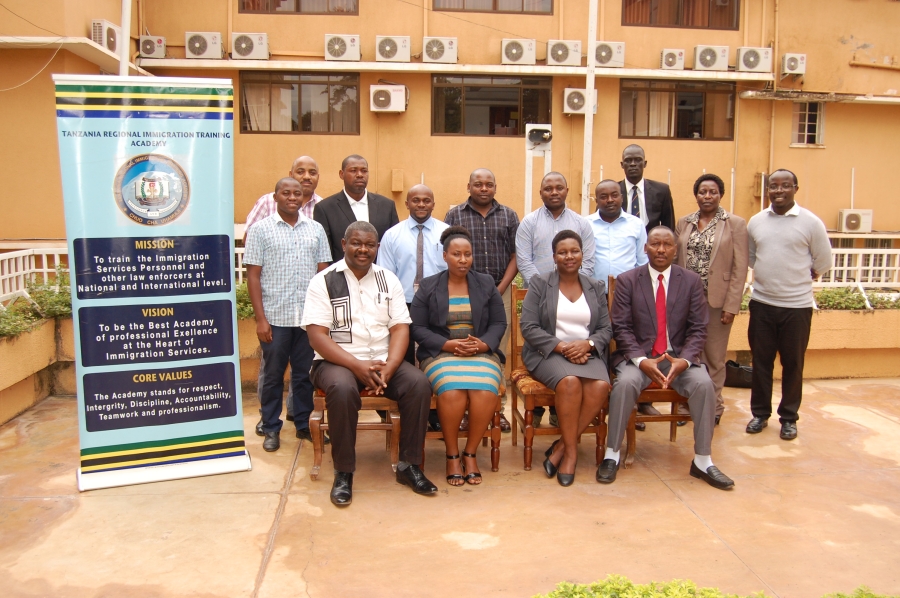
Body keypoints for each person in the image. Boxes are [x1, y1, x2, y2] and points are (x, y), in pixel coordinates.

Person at [302, 222, 437, 506]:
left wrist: (390, 366)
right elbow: (317, 336)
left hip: (382, 360)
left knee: (418, 384)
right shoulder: (323, 281)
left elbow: (400, 328)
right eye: (356, 243)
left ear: (377, 247)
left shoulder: (388, 279)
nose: (363, 249)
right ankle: (344, 471)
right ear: (343, 244)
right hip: (335, 360)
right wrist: (356, 366)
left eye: (370, 244)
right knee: (341, 388)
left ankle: (409, 466)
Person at [598, 227, 734, 490]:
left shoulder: (691, 281)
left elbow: (698, 328)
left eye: (667, 245)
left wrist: (685, 360)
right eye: (655, 244)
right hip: (640, 358)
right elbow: (621, 327)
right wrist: (640, 360)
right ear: (645, 248)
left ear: (676, 249)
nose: (661, 249)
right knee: (624, 385)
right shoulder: (628, 280)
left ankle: (703, 460)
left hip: (679, 358)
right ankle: (612, 453)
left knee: (704, 385)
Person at [410, 226, 507, 486]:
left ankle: (470, 453)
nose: (463, 260)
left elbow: (499, 323)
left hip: (481, 353)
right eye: (456, 254)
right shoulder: (429, 286)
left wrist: (484, 345)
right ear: (445, 256)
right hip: (441, 353)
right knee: (452, 391)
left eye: (467, 254)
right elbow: (417, 328)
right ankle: (452, 454)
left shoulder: (486, 283)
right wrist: (449, 345)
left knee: (484, 390)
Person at [244, 178, 331, 452]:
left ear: (303, 197)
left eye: (297, 193)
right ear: (276, 196)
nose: (292, 197)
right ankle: (270, 427)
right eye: (286, 193)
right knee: (272, 375)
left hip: (307, 320)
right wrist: (260, 319)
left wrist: (322, 317)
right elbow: (253, 277)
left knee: (305, 375)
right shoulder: (260, 230)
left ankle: (304, 425)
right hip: (275, 319)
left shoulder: (316, 229)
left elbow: (323, 273)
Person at [520, 230, 612, 487]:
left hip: (586, 352)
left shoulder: (595, 287)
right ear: (554, 257)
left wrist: (588, 344)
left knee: (601, 386)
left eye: (574, 251)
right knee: (570, 382)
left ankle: (561, 446)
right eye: (562, 252)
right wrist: (562, 348)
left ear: (583, 255)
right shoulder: (540, 284)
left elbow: (605, 329)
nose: (569, 256)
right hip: (547, 353)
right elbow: (528, 327)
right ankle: (571, 454)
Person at [745, 169, 832, 441]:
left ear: (795, 187)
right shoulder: (756, 221)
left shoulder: (811, 223)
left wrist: (806, 272)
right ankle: (760, 414)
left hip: (797, 308)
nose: (779, 191)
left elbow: (823, 262)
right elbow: (751, 257)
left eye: (785, 186)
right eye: (773, 186)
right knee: (760, 363)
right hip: (762, 304)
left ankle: (789, 418)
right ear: (768, 189)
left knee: (793, 365)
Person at [516, 172, 595, 429]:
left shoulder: (582, 224)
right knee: (545, 341)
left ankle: (560, 410)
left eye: (559, 187)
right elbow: (524, 260)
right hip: (537, 295)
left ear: (567, 190)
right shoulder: (529, 222)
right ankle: (539, 407)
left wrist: (570, 285)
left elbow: (589, 261)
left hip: (575, 294)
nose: (553, 192)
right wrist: (545, 288)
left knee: (570, 337)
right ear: (540, 192)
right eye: (548, 188)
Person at [445, 168, 519, 433]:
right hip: (464, 290)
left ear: (495, 187)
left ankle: (496, 407)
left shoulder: (509, 215)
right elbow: (450, 251)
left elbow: (515, 256)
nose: (484, 188)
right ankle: (467, 409)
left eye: (489, 184)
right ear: (469, 186)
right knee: (466, 343)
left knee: (496, 348)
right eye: (478, 184)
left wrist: (499, 288)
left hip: (501, 289)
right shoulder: (455, 215)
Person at [675, 174, 749, 426]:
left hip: (717, 301)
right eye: (702, 192)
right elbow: (675, 262)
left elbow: (740, 268)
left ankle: (714, 407)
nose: (707, 196)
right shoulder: (684, 222)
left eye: (713, 192)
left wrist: (732, 305)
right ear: (696, 195)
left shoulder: (735, 224)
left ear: (721, 194)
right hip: (687, 301)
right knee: (688, 355)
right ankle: (687, 404)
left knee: (714, 357)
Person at [377, 184, 449, 431]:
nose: (421, 204)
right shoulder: (392, 235)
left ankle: (435, 413)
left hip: (437, 305)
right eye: (415, 200)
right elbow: (385, 276)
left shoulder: (446, 233)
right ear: (406, 204)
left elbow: (453, 273)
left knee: (435, 355)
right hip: (403, 304)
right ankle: (406, 411)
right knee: (404, 358)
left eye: (426, 200)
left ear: (433, 203)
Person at [589, 179, 652, 428]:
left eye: (614, 195)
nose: (610, 200)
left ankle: (630, 404)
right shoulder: (586, 224)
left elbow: (641, 262)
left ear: (622, 197)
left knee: (627, 347)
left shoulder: (637, 225)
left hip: (628, 297)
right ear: (597, 200)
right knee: (598, 347)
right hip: (595, 296)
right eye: (603, 196)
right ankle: (598, 404)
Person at [313, 154, 400, 265]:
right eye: (353, 170)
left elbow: (394, 246)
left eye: (364, 171)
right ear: (341, 174)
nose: (359, 175)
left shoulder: (387, 206)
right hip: (342, 277)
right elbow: (324, 254)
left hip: (379, 277)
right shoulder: (325, 208)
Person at [619, 144, 675, 234]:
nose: (633, 164)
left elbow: (669, 226)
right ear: (622, 165)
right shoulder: (613, 192)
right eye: (628, 160)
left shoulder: (661, 191)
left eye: (638, 160)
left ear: (645, 164)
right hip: (621, 245)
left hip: (651, 245)